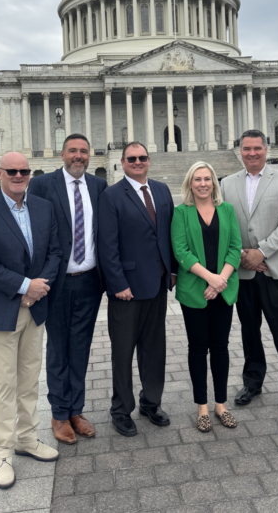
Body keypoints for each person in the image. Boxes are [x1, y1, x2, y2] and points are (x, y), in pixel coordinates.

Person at [0, 152, 61, 489]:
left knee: (30, 379)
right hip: (2, 308)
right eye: (12, 171)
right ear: (0, 174)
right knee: (4, 384)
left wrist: (37, 289)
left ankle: (27, 438)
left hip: (34, 307)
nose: (19, 175)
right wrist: (24, 286)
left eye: (24, 171)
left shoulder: (43, 207)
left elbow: (55, 253)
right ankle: (3, 452)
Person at [28, 134, 107, 444]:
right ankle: (59, 413)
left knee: (80, 348)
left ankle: (76, 410)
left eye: (83, 151)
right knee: (58, 350)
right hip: (57, 282)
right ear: (62, 154)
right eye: (73, 151)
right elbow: (33, 233)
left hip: (90, 282)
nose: (78, 156)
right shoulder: (42, 185)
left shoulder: (99, 186)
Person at [220, 130, 278, 416]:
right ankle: (252, 382)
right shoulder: (227, 183)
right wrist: (244, 257)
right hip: (243, 271)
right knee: (249, 331)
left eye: (257, 148)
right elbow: (224, 225)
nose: (252, 153)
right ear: (240, 151)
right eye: (247, 148)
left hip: (274, 269)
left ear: (266, 150)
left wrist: (261, 252)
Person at [98, 141, 177, 437]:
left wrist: (173, 271)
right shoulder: (111, 195)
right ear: (122, 162)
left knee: (154, 349)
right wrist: (118, 284)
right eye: (131, 158)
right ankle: (121, 410)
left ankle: (151, 403)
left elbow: (169, 234)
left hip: (157, 285)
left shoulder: (161, 190)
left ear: (149, 160)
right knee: (123, 353)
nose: (137, 162)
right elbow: (107, 245)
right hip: (127, 290)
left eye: (142, 157)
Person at [171, 162, 242, 432]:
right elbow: (181, 251)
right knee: (198, 349)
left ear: (214, 183)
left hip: (223, 289)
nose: (203, 184)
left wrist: (220, 280)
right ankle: (202, 407)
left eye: (207, 179)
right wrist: (210, 278)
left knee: (221, 347)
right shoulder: (181, 212)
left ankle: (221, 404)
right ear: (190, 183)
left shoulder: (227, 210)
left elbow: (235, 247)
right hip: (195, 291)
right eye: (197, 179)